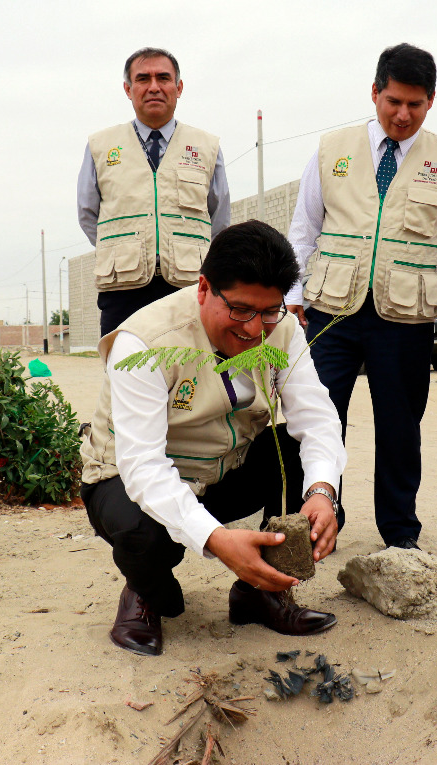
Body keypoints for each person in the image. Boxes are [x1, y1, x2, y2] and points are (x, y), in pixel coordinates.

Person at [80, 220, 346, 656]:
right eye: (240, 310)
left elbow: (317, 419)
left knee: (305, 458)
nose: (254, 327)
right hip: (129, 482)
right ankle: (143, 593)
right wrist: (217, 541)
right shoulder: (145, 343)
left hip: (226, 470)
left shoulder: (283, 330)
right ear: (203, 288)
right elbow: (143, 468)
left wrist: (321, 494)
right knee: (141, 535)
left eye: (269, 311)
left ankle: (259, 592)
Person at [285, 43, 437, 551]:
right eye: (393, 101)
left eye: (415, 105)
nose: (402, 114)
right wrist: (291, 295)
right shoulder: (332, 150)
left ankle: (400, 533)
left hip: (405, 318)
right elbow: (303, 230)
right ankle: (315, 521)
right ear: (374, 93)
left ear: (431, 101)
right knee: (319, 417)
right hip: (330, 312)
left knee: (400, 427)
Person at [78, 47, 232, 335]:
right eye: (142, 79)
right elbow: (88, 214)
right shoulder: (101, 145)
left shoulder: (205, 146)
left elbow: (219, 217)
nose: (154, 87)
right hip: (123, 289)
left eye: (163, 78)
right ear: (128, 88)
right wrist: (124, 251)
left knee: (190, 372)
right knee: (123, 370)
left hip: (188, 287)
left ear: (179, 87)